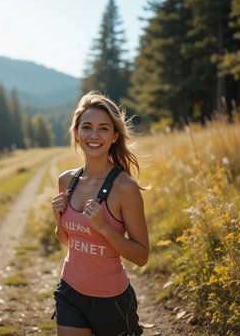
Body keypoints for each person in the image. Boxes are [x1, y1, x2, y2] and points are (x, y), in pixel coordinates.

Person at [51, 91, 149, 336]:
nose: (94, 136)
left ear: (115, 136)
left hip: (111, 300)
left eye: (103, 128)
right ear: (76, 133)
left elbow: (141, 256)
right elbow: (66, 241)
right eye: (87, 127)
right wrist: (58, 218)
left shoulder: (125, 188)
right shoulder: (66, 181)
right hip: (70, 291)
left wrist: (104, 228)